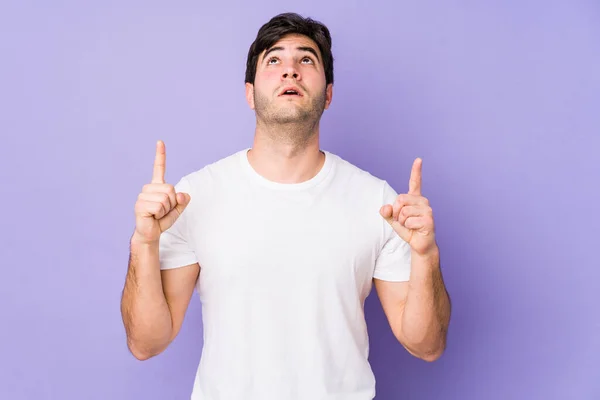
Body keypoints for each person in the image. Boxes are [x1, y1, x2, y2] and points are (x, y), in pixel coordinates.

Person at [120, 12, 451, 400]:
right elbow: (146, 343)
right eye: (273, 60)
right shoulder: (194, 196)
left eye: (306, 60)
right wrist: (143, 244)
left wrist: (426, 255)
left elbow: (426, 345)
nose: (290, 71)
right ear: (249, 93)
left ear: (328, 94)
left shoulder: (377, 202)